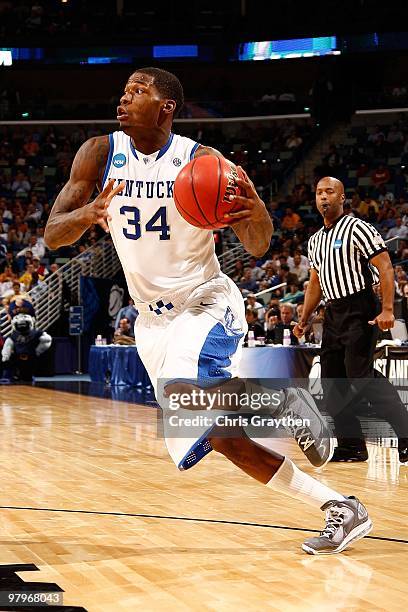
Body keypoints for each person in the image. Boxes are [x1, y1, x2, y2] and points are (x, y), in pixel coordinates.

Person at [45, 68, 371, 554]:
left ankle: (286, 403)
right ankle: (341, 509)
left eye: (139, 91)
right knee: (223, 437)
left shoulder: (203, 163)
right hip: (151, 322)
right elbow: (53, 235)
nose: (125, 97)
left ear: (166, 107)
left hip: (204, 301)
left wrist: (257, 207)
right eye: (125, 90)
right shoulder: (98, 153)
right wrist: (86, 214)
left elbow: (259, 246)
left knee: (182, 392)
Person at [294, 176, 408, 463]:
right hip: (333, 312)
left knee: (362, 378)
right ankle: (351, 445)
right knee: (333, 382)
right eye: (319, 192)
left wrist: (387, 309)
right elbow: (315, 283)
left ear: (342, 197)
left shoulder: (358, 228)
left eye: (329, 192)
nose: (323, 197)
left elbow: (384, 266)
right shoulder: (315, 241)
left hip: (360, 307)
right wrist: (305, 318)